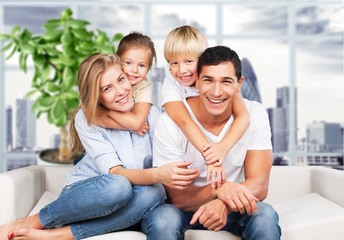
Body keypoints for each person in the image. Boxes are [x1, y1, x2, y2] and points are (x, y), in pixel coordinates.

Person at [0, 53, 199, 240]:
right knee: (118, 185)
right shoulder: (88, 119)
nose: (121, 91)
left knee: (158, 200)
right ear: (97, 96)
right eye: (107, 88)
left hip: (139, 203)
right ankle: (33, 222)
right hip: (90, 199)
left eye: (121, 80)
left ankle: (59, 236)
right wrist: (157, 175)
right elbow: (117, 173)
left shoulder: (154, 115)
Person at [144, 46, 281, 240]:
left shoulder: (255, 113)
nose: (216, 92)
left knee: (265, 215)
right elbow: (177, 198)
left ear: (239, 84)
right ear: (196, 81)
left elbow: (260, 184)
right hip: (182, 210)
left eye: (226, 81)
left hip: (232, 206)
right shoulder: (169, 122)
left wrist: (223, 203)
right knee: (163, 219)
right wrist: (219, 189)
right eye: (208, 80)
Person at [161, 25, 250, 187]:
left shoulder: (218, 82)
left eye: (188, 61)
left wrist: (223, 147)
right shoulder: (171, 83)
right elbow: (184, 121)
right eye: (174, 63)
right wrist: (212, 160)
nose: (181, 70)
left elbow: (243, 117)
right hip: (182, 147)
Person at [95, 31, 156, 138]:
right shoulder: (106, 76)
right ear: (118, 60)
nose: (134, 70)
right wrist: (127, 127)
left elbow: (137, 123)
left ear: (149, 68)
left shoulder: (144, 86)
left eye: (142, 65)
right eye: (128, 63)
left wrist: (106, 110)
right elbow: (92, 117)